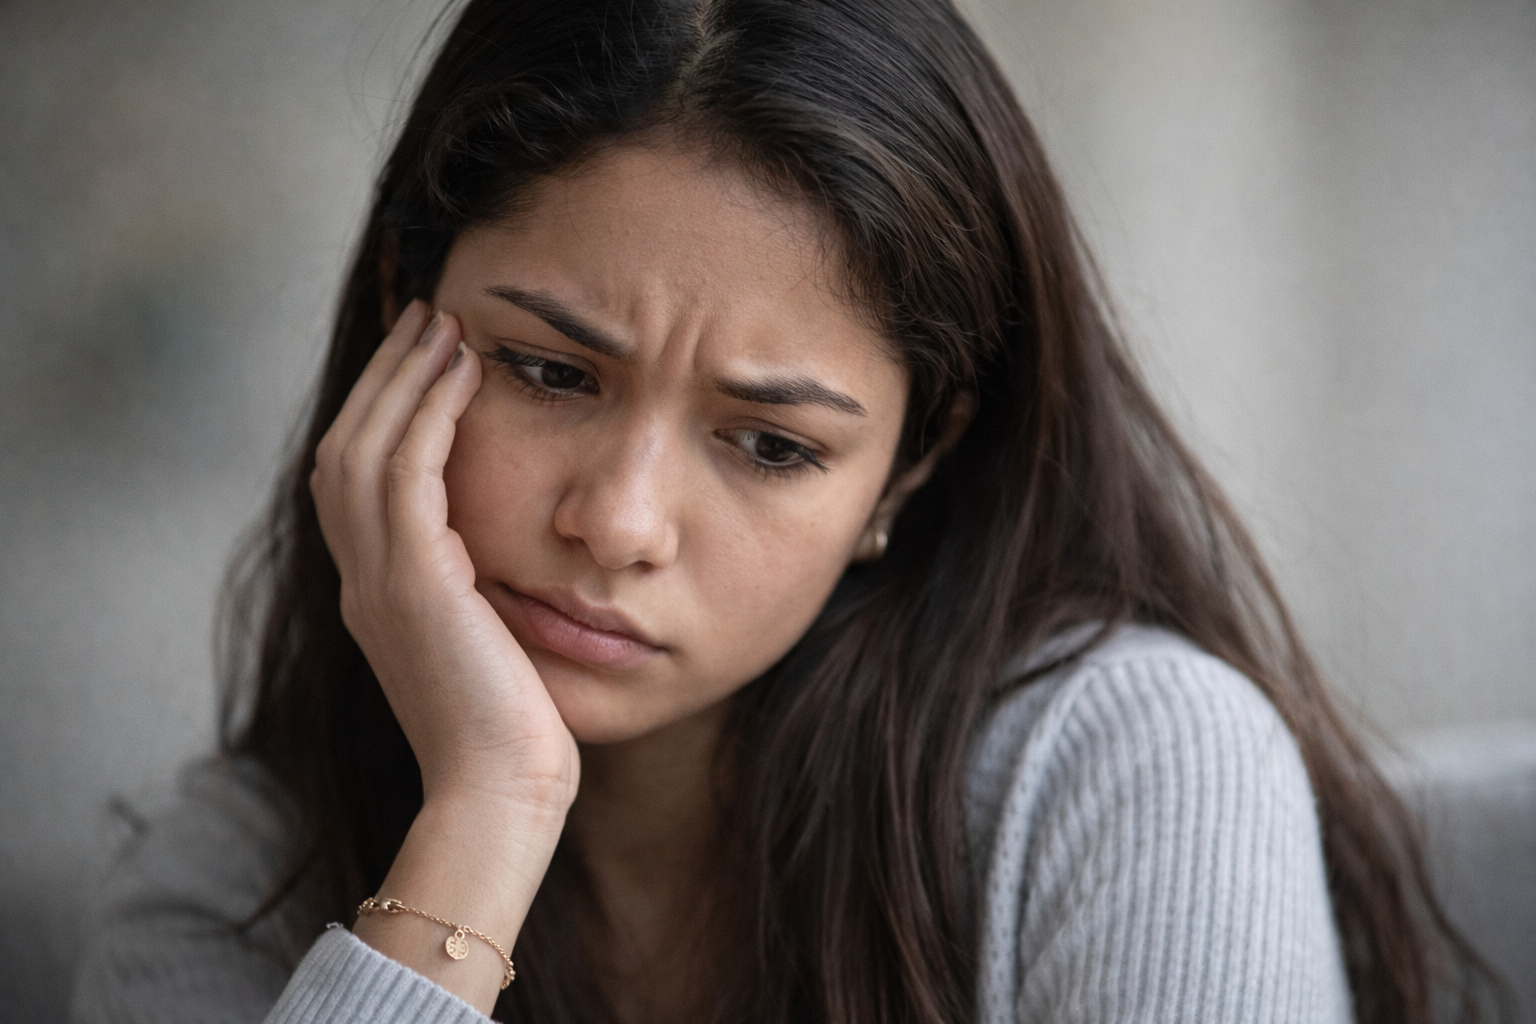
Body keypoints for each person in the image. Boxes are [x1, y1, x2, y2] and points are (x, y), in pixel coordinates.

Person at [71, 1, 1497, 1022]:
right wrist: (490, 813)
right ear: (403, 311)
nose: (621, 523)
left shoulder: (1125, 774)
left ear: (913, 465)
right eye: (550, 370)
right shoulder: (235, 879)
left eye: (767, 444)